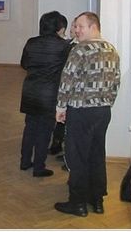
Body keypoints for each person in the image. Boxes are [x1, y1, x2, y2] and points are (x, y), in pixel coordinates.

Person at [54, 12, 121, 217]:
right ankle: (97, 200)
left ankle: (78, 203)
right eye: (75, 26)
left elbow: (67, 80)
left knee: (77, 157)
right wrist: (107, 103)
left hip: (81, 111)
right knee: (96, 154)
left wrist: (60, 108)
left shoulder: (80, 50)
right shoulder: (111, 49)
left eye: (80, 26)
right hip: (103, 112)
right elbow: (116, 82)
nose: (76, 30)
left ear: (93, 27)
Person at [19, 11, 71, 177]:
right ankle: (39, 167)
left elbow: (24, 64)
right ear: (59, 27)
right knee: (45, 130)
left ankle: (25, 161)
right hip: (50, 93)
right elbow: (68, 69)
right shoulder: (64, 46)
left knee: (30, 127)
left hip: (30, 90)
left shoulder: (31, 42)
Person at [50, 17, 78, 159]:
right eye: (72, 25)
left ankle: (68, 154)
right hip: (62, 86)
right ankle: (57, 145)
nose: (72, 29)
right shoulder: (67, 44)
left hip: (71, 90)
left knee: (68, 123)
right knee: (61, 120)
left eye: (75, 26)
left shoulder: (76, 47)